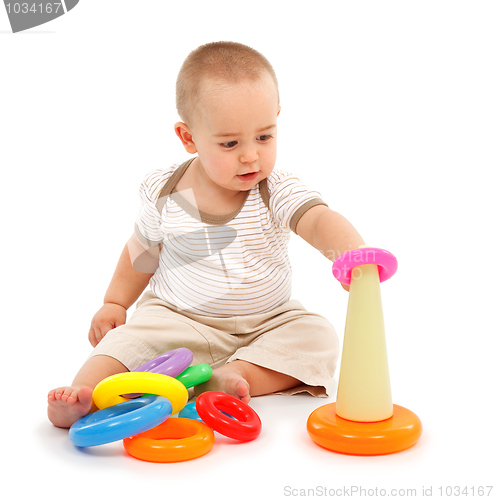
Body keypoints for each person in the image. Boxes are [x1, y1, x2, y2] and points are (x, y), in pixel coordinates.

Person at [47, 41, 365, 428]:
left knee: (319, 337)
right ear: (188, 137)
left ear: (277, 119)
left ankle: (237, 375)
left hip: (267, 319)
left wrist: (352, 254)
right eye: (230, 143)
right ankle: (84, 395)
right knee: (126, 341)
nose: (250, 155)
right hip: (178, 317)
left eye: (264, 137)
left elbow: (317, 220)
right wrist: (115, 302)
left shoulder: (274, 190)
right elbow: (143, 251)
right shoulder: (165, 191)